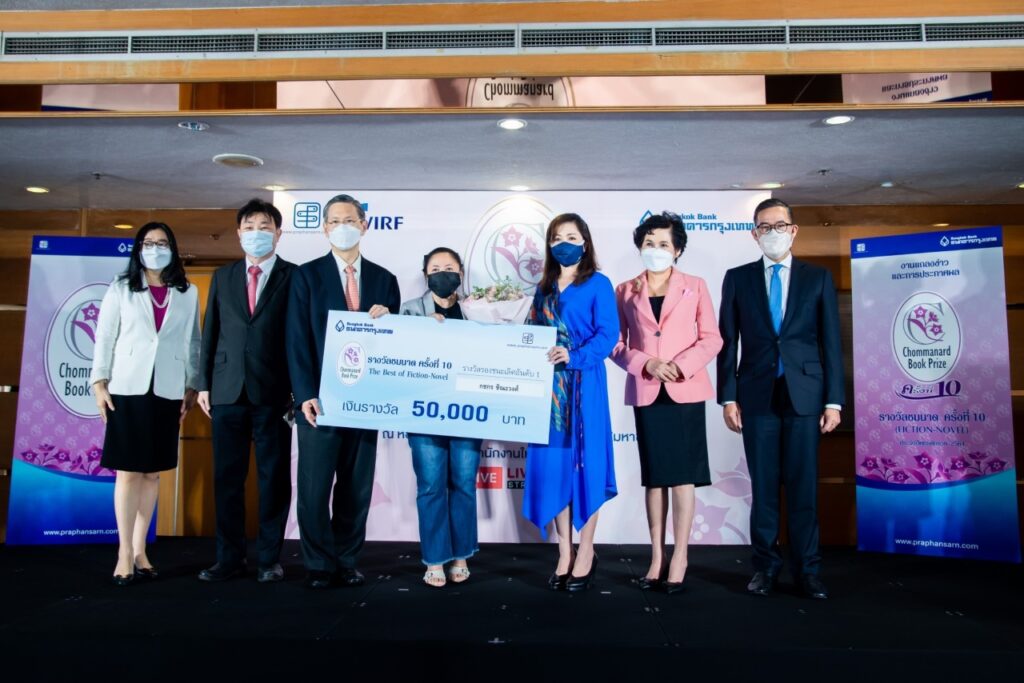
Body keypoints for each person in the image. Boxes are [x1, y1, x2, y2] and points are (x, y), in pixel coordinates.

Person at [717, 197, 844, 600]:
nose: (772, 233)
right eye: (764, 227)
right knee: (765, 488)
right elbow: (728, 344)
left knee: (804, 489)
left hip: (806, 397)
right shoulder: (737, 278)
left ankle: (808, 571)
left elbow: (831, 342)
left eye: (779, 225)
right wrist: (728, 397)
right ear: (754, 234)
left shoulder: (817, 278)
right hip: (756, 396)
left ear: (793, 230)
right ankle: (765, 568)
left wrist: (834, 401)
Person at [286, 193, 400, 589]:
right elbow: (296, 340)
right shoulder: (306, 276)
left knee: (357, 487)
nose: (341, 227)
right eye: (334, 221)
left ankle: (348, 559)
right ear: (324, 228)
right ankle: (319, 563)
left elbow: (396, 344)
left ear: (364, 225)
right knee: (314, 488)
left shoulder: (385, 280)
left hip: (366, 402)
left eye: (349, 220)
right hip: (319, 402)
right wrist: (304, 394)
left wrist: (390, 321)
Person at [611, 211, 722, 594]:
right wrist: (647, 363)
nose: (655, 249)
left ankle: (680, 556)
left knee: (682, 476)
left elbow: (712, 338)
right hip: (647, 389)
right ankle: (657, 556)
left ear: (677, 250)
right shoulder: (625, 290)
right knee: (655, 477)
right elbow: (616, 343)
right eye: (648, 243)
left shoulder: (696, 286)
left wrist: (680, 365)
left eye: (663, 243)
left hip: (684, 388)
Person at [90, 222, 200, 586]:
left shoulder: (187, 292)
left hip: (168, 389)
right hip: (127, 388)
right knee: (128, 471)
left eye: (162, 243)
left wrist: (192, 383)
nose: (155, 249)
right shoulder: (121, 287)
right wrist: (99, 381)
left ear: (173, 248)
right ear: (139, 249)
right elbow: (105, 336)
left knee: (153, 473)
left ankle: (140, 550)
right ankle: (123, 551)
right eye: (149, 243)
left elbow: (193, 341)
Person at [195, 199, 295, 583]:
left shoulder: (294, 276)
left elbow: (299, 337)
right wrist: (203, 383)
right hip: (226, 391)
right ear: (239, 234)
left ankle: (269, 559)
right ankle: (229, 558)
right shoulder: (223, 276)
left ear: (278, 233)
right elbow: (211, 332)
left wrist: (299, 390)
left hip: (275, 393)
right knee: (227, 480)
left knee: (274, 480)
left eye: (264, 227)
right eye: (250, 227)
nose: (257, 233)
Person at [524, 213, 618, 592]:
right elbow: (532, 333)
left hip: (585, 384)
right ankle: (564, 549)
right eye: (557, 237)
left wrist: (573, 355)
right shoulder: (543, 288)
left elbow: (608, 335)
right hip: (548, 390)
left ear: (584, 242)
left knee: (587, 464)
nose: (564, 242)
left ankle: (587, 550)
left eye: (571, 236)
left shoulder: (598, 283)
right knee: (555, 467)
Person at [399, 247, 482, 588]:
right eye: (435, 268)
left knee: (463, 483)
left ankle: (461, 554)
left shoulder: (477, 310)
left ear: (460, 273)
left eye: (449, 267)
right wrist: (424, 332)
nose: (442, 273)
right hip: (425, 412)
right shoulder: (410, 310)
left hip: (468, 412)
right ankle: (434, 558)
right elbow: (398, 355)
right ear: (425, 275)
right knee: (431, 485)